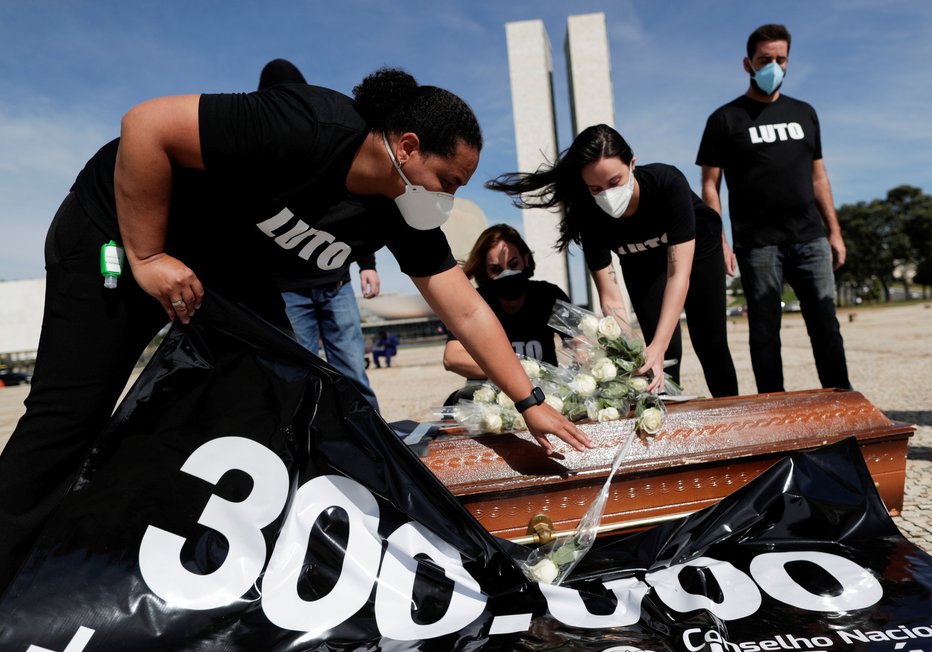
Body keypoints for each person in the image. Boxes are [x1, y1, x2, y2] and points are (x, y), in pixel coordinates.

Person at [0, 68, 592, 596]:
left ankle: (193, 551)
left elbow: (464, 309)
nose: (450, 197)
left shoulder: (399, 210)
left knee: (275, 396)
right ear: (407, 149)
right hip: (116, 232)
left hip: (214, 266)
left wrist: (529, 401)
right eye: (448, 179)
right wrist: (148, 255)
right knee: (70, 415)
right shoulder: (309, 124)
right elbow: (146, 125)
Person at [488, 125, 738, 397]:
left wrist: (659, 345)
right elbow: (611, 299)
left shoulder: (667, 182)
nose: (606, 194)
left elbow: (679, 274)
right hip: (640, 261)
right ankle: (665, 425)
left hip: (697, 250)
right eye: (595, 188)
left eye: (614, 182)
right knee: (660, 359)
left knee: (709, 343)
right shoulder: (588, 213)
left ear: (632, 163)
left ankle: (735, 421)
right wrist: (629, 349)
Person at [696, 23, 850, 393]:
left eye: (781, 59)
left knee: (826, 323)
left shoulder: (805, 113)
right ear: (748, 63)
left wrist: (835, 231)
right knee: (765, 330)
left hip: (810, 238)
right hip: (758, 243)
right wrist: (721, 241)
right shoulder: (724, 119)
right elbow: (709, 186)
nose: (774, 66)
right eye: (766, 60)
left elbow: (819, 178)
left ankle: (842, 401)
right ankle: (773, 406)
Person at [259, 58, 381, 409]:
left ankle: (375, 446)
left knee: (353, 371)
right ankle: (297, 449)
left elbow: (353, 210)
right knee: (295, 373)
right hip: (288, 291)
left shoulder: (324, 142)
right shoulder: (262, 150)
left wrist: (367, 264)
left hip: (336, 285)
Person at [442, 224, 571, 403]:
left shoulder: (549, 296)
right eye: (496, 269)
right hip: (489, 400)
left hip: (546, 394)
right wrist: (516, 370)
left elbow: (580, 343)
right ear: (485, 272)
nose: (506, 274)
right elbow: (452, 358)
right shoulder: (476, 302)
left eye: (513, 264)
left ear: (525, 260)